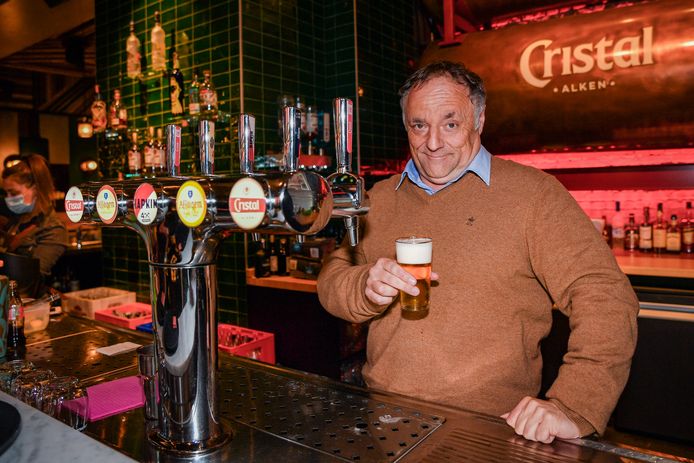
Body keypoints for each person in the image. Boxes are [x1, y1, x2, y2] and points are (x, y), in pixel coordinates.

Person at [317, 61, 638, 444]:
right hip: (384, 420)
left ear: (479, 121)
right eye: (419, 125)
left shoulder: (533, 196)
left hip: (493, 430)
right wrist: (364, 286)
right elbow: (331, 279)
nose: (433, 142)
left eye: (450, 124)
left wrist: (574, 403)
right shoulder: (380, 199)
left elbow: (606, 296)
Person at [0, 154, 67, 292]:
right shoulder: (16, 221)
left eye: (13, 193)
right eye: (6, 193)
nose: (8, 199)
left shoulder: (53, 228)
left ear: (35, 189)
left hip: (29, 303)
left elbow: (29, 279)